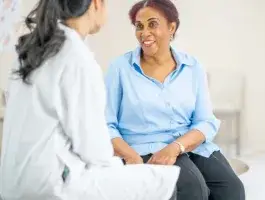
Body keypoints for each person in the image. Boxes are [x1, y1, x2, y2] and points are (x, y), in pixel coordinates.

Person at [0, 0, 180, 200]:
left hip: (12, 184)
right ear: (96, 3)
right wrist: (125, 162)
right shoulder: (76, 56)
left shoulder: (30, 50)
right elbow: (95, 151)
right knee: (164, 183)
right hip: (51, 185)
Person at [105, 0, 245, 200]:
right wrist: (129, 155)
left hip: (188, 144)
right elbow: (106, 124)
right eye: (139, 26)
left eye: (152, 24)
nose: (144, 33)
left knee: (232, 189)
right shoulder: (119, 68)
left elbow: (205, 120)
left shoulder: (192, 66)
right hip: (146, 147)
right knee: (193, 190)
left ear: (172, 27)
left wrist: (176, 147)